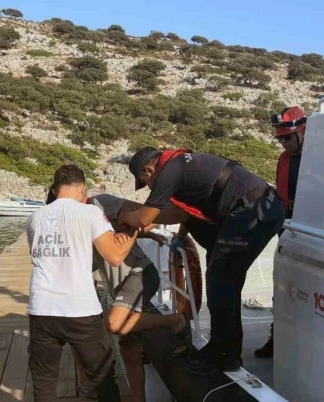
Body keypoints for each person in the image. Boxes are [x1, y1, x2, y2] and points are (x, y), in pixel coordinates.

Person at [119, 146, 286, 374]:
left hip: (251, 211)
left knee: (220, 278)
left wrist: (123, 215)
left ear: (149, 169)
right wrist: (179, 238)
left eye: (145, 182)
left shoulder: (169, 170)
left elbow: (144, 218)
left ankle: (223, 353)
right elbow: (181, 214)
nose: (148, 186)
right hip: (261, 208)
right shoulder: (181, 164)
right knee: (226, 278)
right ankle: (228, 350)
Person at [26, 164, 140, 402]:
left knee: (44, 380)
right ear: (82, 188)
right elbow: (114, 257)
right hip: (80, 309)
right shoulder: (90, 213)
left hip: (41, 308)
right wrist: (132, 234)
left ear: (55, 190)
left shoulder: (35, 217)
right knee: (102, 376)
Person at [86, 191, 190, 402]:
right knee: (128, 349)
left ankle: (174, 320)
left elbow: (139, 216)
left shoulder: (99, 202)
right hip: (119, 287)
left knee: (115, 323)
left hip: (140, 272)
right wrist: (147, 235)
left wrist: (135, 230)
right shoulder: (79, 225)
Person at [255, 106, 308, 359]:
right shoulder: (283, 160)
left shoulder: (319, 158)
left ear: (302, 132)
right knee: (283, 284)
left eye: (287, 137)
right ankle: (277, 338)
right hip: (287, 227)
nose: (283, 143)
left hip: (312, 229)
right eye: (280, 139)